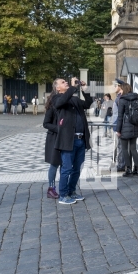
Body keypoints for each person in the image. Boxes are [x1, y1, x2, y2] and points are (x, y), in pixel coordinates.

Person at [53, 77, 93, 205]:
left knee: (77, 169)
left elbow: (88, 103)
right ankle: (63, 195)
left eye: (66, 82)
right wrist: (73, 87)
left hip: (81, 140)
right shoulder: (57, 99)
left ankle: (71, 191)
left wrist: (85, 89)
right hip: (68, 141)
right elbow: (61, 102)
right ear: (57, 88)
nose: (66, 83)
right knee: (66, 169)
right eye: (63, 82)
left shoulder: (74, 99)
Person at [116, 83, 138, 177]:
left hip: (125, 127)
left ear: (124, 89)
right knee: (133, 149)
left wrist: (118, 130)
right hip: (135, 126)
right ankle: (136, 169)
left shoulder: (122, 100)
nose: (120, 91)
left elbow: (120, 116)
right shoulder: (136, 98)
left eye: (121, 89)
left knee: (125, 149)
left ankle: (128, 170)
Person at [43, 90, 61, 199]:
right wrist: (59, 128)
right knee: (54, 164)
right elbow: (46, 123)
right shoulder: (51, 107)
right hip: (53, 138)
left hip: (64, 138)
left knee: (64, 164)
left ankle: (62, 187)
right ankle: (51, 188)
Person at [111, 79, 126, 172]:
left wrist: (118, 128)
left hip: (118, 124)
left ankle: (121, 165)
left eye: (115, 85)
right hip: (117, 123)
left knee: (120, 146)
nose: (114, 87)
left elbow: (120, 114)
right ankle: (120, 163)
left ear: (120, 86)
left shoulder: (121, 98)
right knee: (119, 146)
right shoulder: (119, 97)